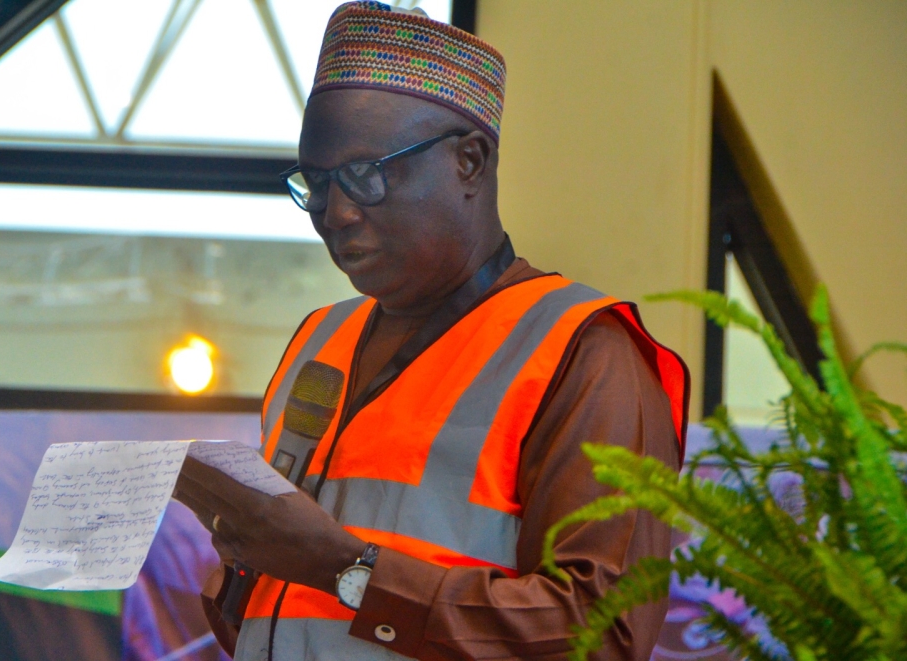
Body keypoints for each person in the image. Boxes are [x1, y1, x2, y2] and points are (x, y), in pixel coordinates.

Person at [173, 3, 689, 660]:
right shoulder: (317, 339)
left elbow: (602, 635)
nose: (335, 212)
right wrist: (243, 553)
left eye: (365, 174)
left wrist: (344, 567)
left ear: (469, 162)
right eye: (318, 182)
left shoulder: (582, 352)